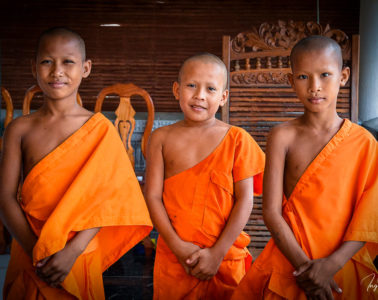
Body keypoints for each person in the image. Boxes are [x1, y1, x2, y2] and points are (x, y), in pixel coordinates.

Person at [0, 27, 152, 299]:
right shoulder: (19, 129)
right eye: (47, 61)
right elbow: (5, 197)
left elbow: (110, 200)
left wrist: (72, 252)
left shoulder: (100, 129)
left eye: (68, 62)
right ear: (33, 67)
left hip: (78, 252)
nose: (57, 71)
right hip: (29, 248)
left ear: (86, 68)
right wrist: (37, 251)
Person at [232, 36, 377, 300]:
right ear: (291, 81)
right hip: (291, 263)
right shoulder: (281, 136)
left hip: (342, 264)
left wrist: (331, 266)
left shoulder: (364, 142)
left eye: (325, 75)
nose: (314, 87)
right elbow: (271, 213)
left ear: (343, 76)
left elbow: (368, 219)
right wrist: (307, 270)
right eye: (303, 77)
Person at [144, 53, 265, 299]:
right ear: (177, 90)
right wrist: (177, 247)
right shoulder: (161, 138)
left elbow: (246, 200)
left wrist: (217, 253)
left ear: (223, 98)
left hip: (225, 255)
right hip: (175, 255)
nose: (200, 95)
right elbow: (152, 196)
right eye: (191, 85)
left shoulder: (237, 139)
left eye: (210, 89)